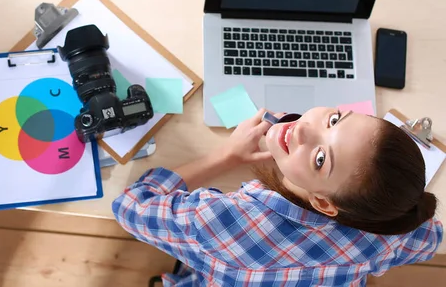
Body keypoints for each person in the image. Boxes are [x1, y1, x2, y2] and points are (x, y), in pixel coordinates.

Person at [112, 107, 443, 286]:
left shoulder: (220, 222)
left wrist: (225, 156)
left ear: (324, 203)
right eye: (334, 119)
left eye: (320, 159)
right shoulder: (390, 228)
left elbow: (130, 206)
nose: (301, 128)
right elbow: (431, 238)